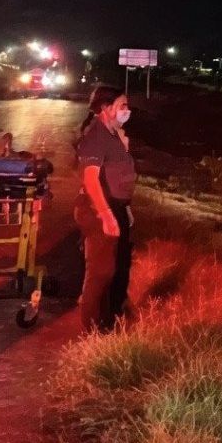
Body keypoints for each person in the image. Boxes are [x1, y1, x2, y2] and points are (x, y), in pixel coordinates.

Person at [73, 85, 136, 333]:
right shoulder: (96, 136)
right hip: (97, 209)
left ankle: (111, 320)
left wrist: (125, 210)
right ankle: (92, 328)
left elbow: (119, 174)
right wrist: (106, 215)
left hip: (116, 208)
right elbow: (90, 180)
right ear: (105, 108)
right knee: (101, 271)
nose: (127, 110)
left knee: (117, 268)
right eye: (122, 106)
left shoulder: (114, 135)